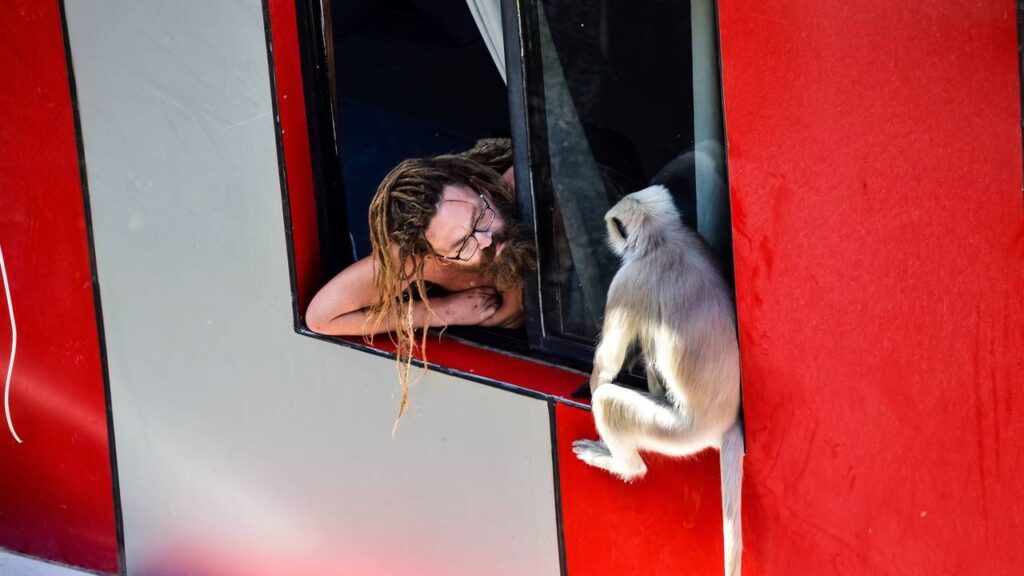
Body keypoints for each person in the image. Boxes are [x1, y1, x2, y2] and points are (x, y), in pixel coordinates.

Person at [305, 139, 536, 420]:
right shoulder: (417, 260)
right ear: (437, 257)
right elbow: (322, 317)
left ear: (481, 187)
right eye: (463, 244)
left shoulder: (526, 184)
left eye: (481, 216)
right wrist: (442, 311)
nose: (486, 239)